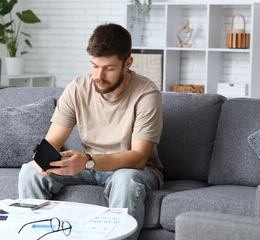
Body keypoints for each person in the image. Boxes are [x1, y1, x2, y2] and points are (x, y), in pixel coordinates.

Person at [18, 23, 163, 240]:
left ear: (127, 63)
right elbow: (53, 140)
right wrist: (43, 158)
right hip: (90, 168)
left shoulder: (146, 94)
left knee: (125, 181)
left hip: (134, 170)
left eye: (109, 68)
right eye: (94, 66)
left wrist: (86, 161)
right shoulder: (77, 88)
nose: (99, 75)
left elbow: (138, 158)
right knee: (30, 172)